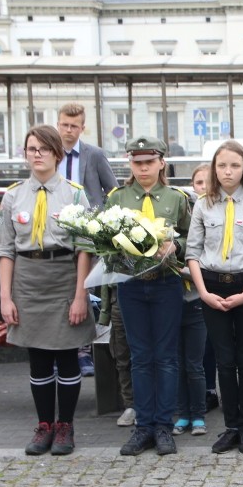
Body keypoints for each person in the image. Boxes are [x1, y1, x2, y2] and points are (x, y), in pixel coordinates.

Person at [0, 125, 95, 456]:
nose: (36, 154)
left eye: (42, 149)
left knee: (67, 355)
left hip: (64, 276)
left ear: (57, 153)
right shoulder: (12, 196)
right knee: (37, 358)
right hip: (28, 278)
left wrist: (81, 294)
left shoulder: (74, 194)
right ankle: (44, 426)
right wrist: (5, 297)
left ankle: (65, 425)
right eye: (30, 149)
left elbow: (84, 249)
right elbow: (6, 251)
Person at [186, 140, 243, 455]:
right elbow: (192, 253)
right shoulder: (203, 204)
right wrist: (204, 293)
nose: (228, 171)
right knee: (223, 359)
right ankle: (231, 426)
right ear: (214, 169)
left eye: (234, 165)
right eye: (222, 165)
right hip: (212, 286)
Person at [107, 136, 190, 456]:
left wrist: (176, 246)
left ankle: (164, 426)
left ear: (161, 163)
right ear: (129, 163)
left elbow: (187, 236)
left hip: (166, 283)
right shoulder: (118, 197)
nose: (143, 168)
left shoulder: (176, 198)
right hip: (130, 284)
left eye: (149, 162)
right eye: (137, 163)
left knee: (166, 357)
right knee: (140, 357)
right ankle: (143, 427)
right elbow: (106, 239)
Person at [57, 102, 119, 377]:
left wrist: (99, 220)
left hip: (88, 236)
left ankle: (84, 351)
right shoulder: (49, 153)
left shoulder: (94, 155)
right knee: (62, 290)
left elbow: (113, 190)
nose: (68, 131)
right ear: (58, 125)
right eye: (64, 125)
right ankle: (60, 350)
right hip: (56, 235)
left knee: (87, 292)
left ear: (82, 128)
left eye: (74, 126)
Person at [172, 170, 210, 438]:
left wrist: (185, 270)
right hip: (173, 300)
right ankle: (182, 413)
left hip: (197, 300)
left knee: (195, 363)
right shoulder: (175, 226)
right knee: (177, 362)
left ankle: (198, 415)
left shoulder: (209, 222)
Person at [191, 163, 220, 412]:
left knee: (213, 342)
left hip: (217, 283)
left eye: (207, 183)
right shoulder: (190, 208)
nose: (203, 188)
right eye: (199, 183)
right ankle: (203, 390)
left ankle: (214, 388)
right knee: (199, 345)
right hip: (194, 286)